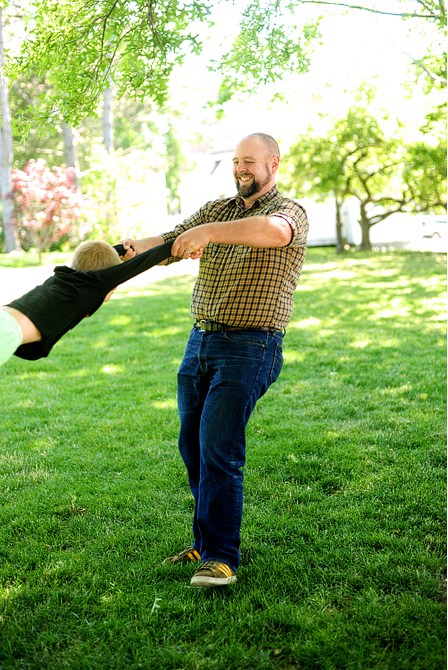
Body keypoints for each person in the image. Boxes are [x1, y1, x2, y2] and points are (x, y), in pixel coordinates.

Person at [120, 132, 310, 588]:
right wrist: (120, 253)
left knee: (219, 450)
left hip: (251, 346)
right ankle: (205, 545)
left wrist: (207, 234)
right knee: (193, 446)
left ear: (273, 164)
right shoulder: (216, 209)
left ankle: (222, 558)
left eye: (250, 161)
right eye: (236, 162)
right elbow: (170, 242)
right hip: (200, 342)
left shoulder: (289, 213)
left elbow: (274, 233)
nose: (241, 169)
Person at [0, 239, 175, 367]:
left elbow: (92, 260)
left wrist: (120, 249)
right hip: (7, 333)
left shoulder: (68, 276)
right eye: (113, 289)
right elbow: (140, 264)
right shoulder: (95, 287)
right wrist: (175, 246)